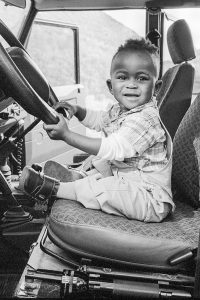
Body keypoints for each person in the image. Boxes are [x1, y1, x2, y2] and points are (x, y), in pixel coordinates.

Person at [19, 38, 175, 222]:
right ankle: (78, 179)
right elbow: (99, 120)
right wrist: (77, 110)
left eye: (141, 78)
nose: (131, 84)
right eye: (123, 77)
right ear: (111, 86)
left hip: (148, 199)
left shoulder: (146, 118)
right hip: (127, 181)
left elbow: (113, 148)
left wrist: (67, 135)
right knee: (97, 165)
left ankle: (54, 190)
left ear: (156, 87)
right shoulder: (120, 109)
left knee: (103, 185)